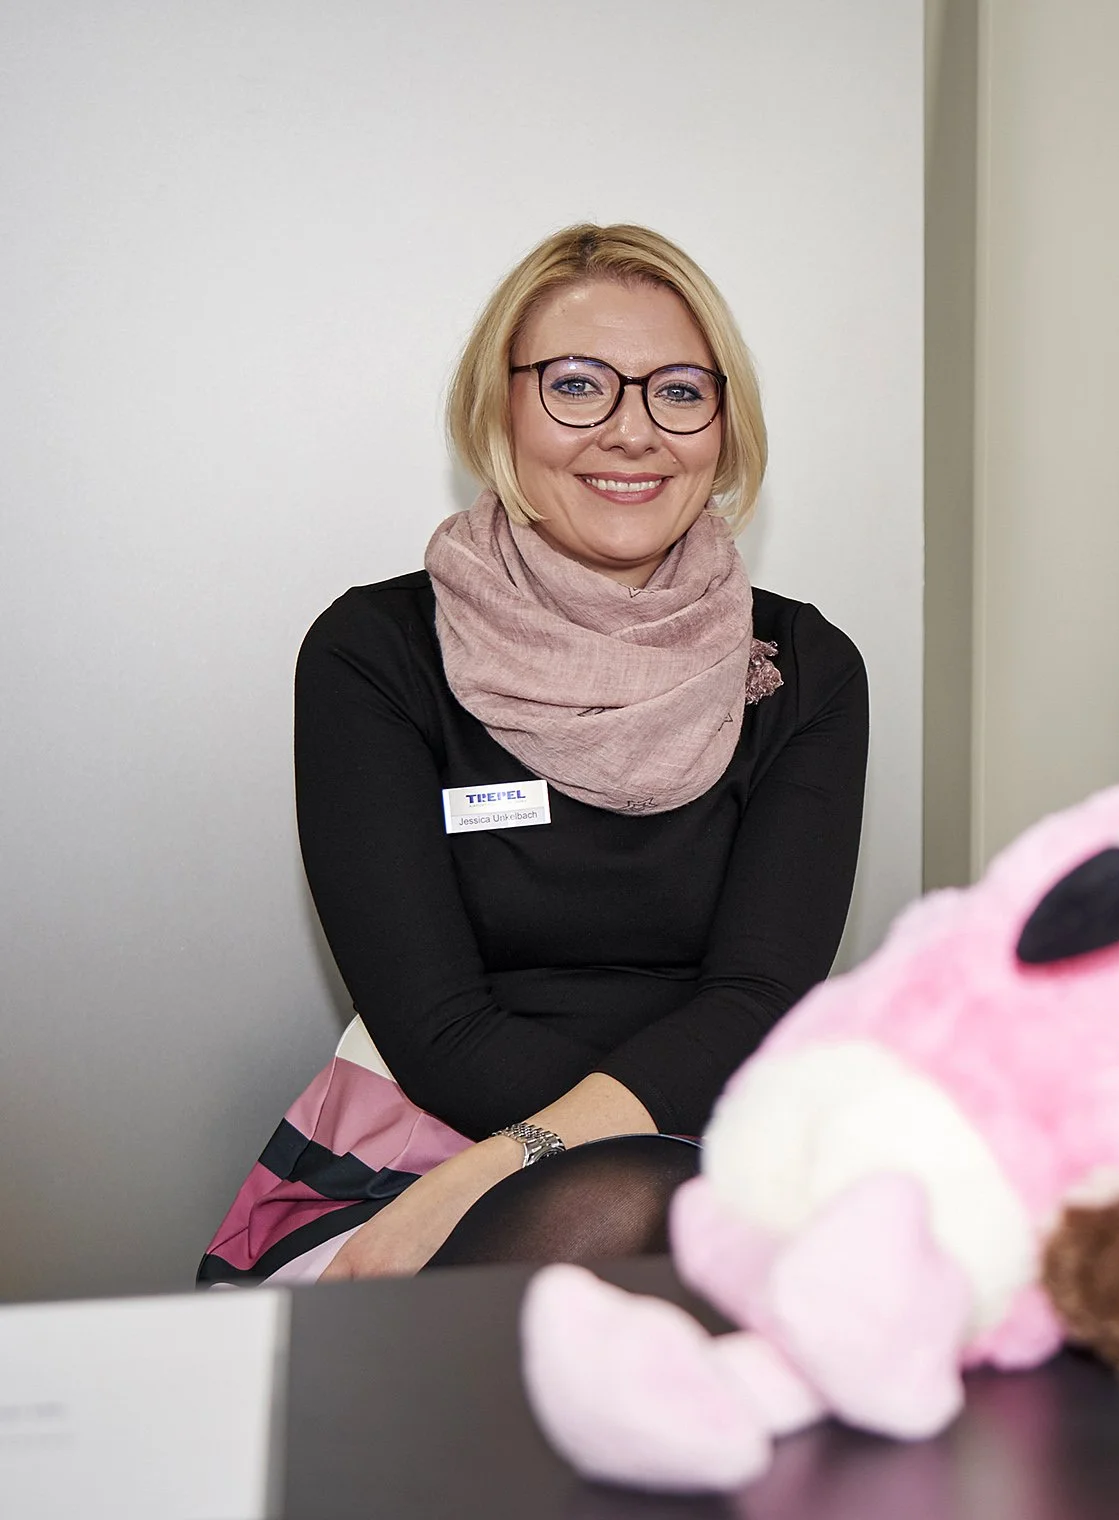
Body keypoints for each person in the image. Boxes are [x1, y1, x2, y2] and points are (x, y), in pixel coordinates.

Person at [199, 225, 868, 1285]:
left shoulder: (807, 668)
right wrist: (546, 1158)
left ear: (724, 425)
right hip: (424, 1140)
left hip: (715, 1137)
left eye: (679, 391)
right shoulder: (375, 651)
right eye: (577, 385)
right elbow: (435, 1023)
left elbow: (758, 997)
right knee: (634, 1222)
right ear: (499, 408)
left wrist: (537, 1156)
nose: (633, 431)